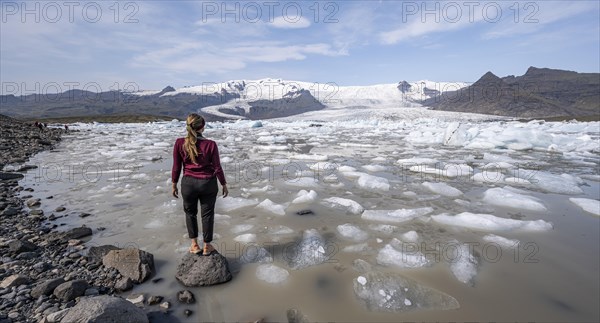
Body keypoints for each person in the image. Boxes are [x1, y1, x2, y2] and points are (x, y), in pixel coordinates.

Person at [171, 113, 228, 256]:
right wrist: (224, 184)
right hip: (208, 183)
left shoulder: (179, 143)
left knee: (190, 213)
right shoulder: (210, 144)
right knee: (207, 215)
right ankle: (207, 246)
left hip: (188, 183)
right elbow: (217, 167)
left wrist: (174, 183)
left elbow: (176, 167)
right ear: (202, 127)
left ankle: (194, 245)